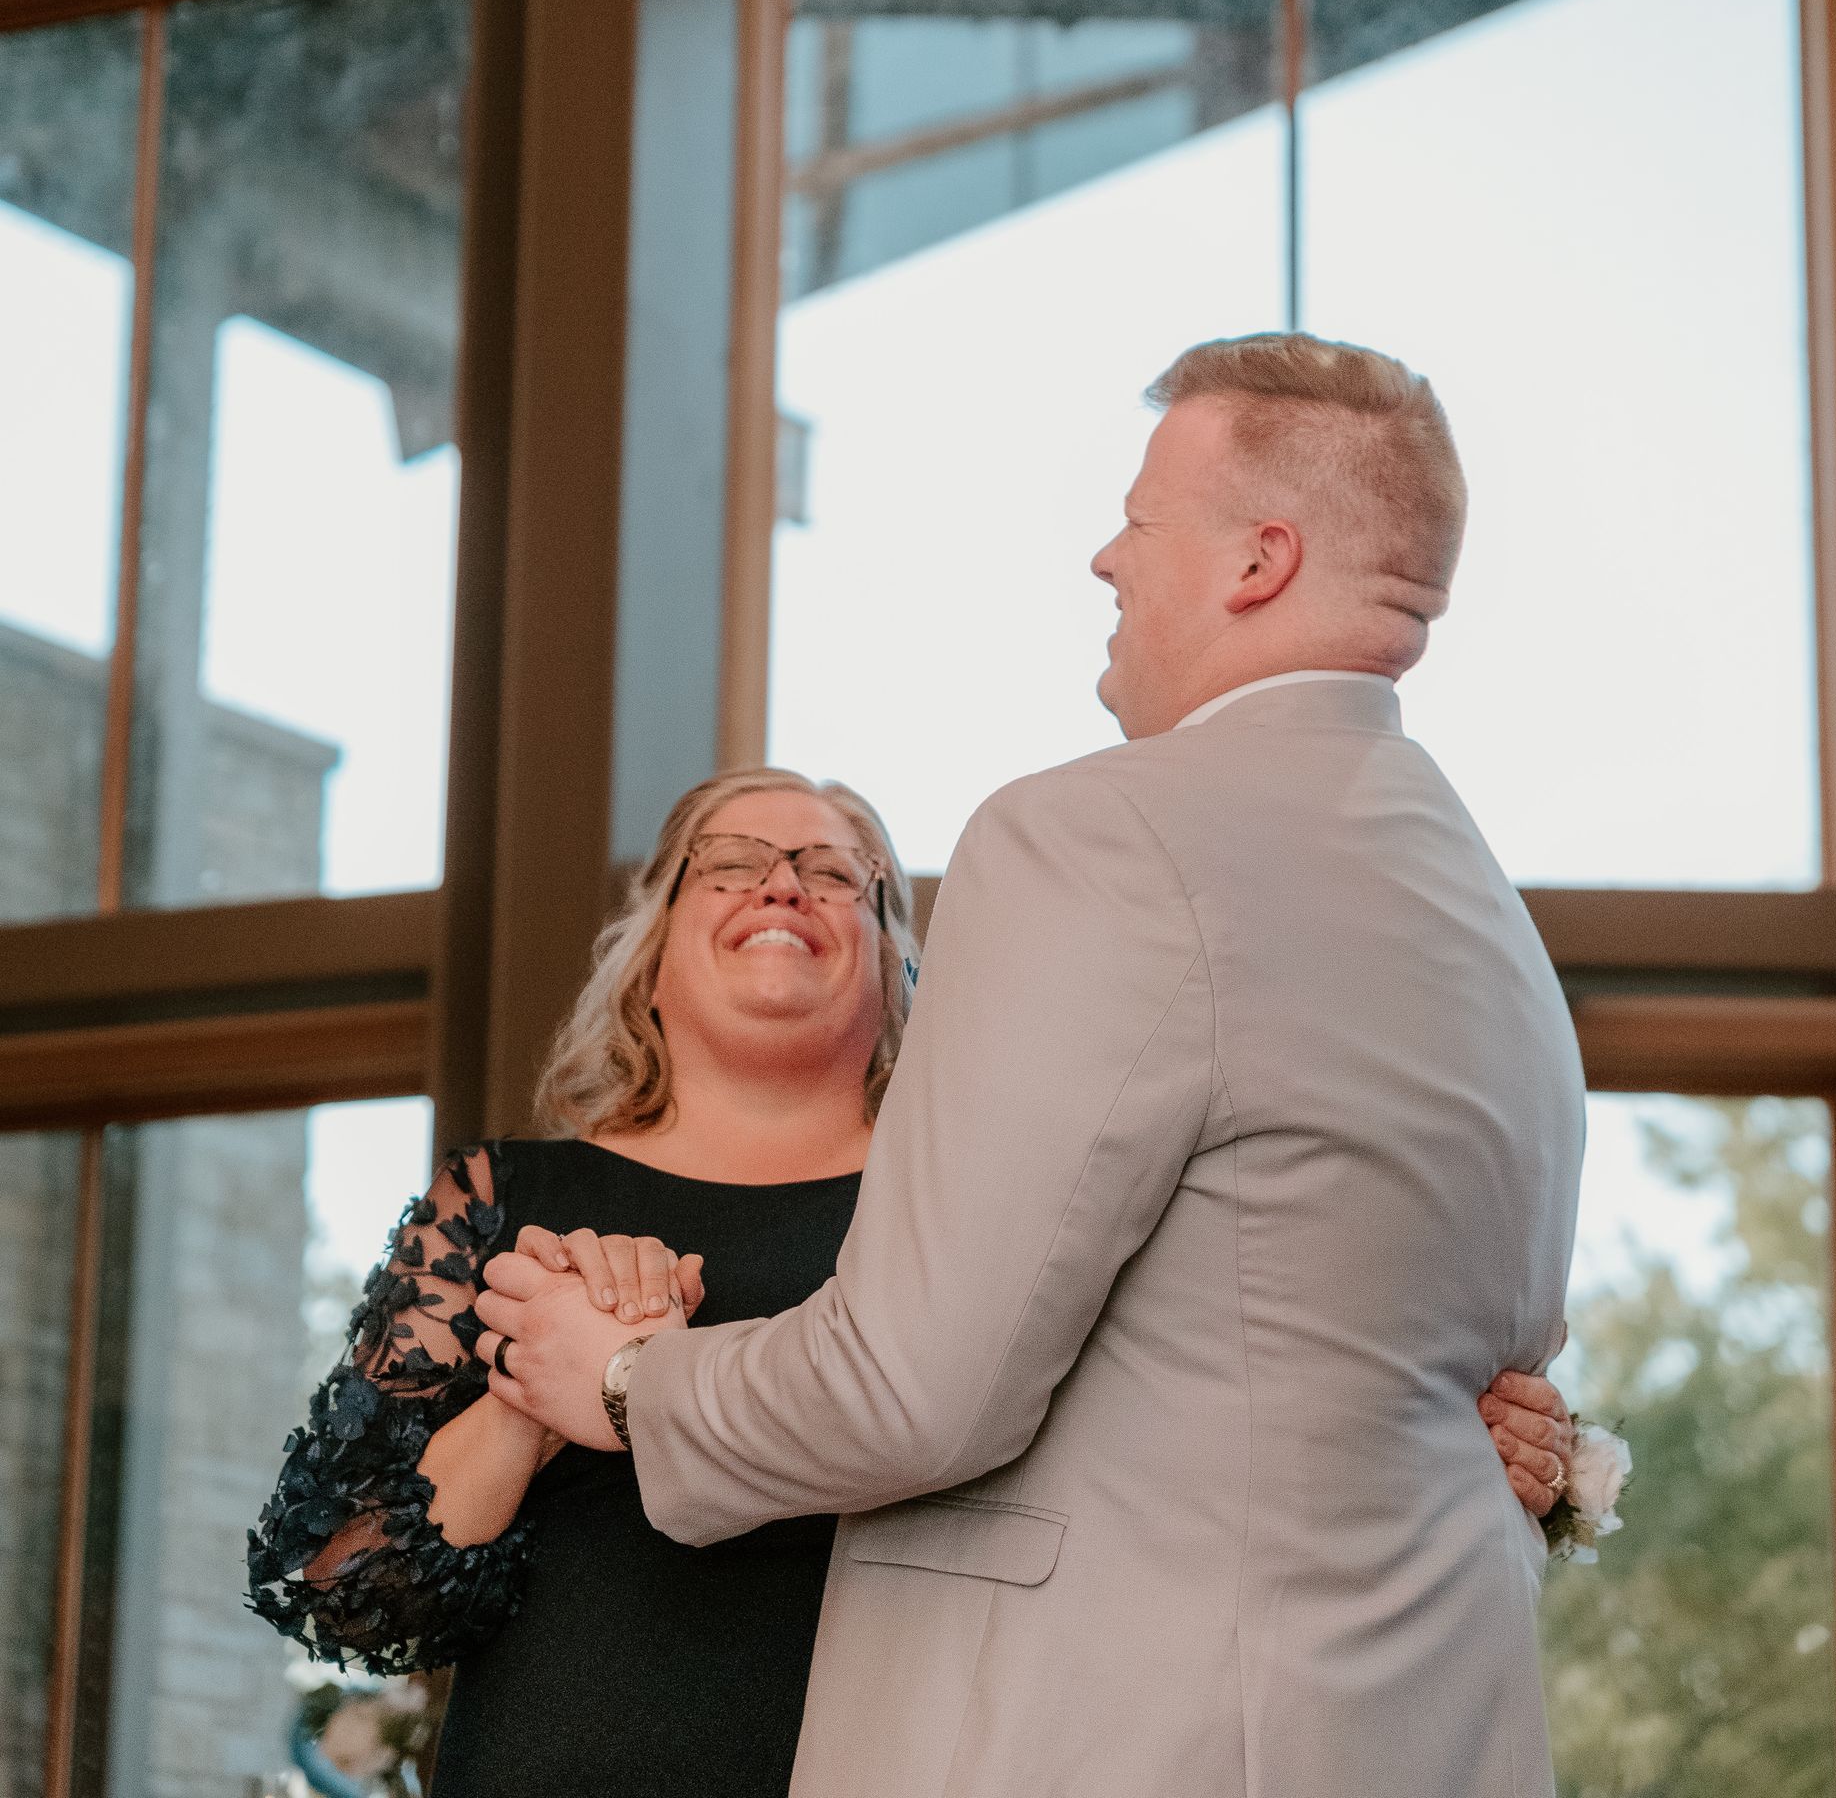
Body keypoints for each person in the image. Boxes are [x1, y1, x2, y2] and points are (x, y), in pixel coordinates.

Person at [476, 332, 1587, 1798]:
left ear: (1259, 562)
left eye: (1140, 519)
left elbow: (916, 1389)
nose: (1106, 560)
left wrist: (617, 1377)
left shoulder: (1100, 835)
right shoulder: (1487, 923)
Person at [250, 764, 1570, 1795]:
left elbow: (1220, 1420)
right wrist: (551, 1386)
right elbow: (342, 1578)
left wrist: (1449, 1450)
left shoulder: (998, 1210)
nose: (786, 886)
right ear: (649, 952)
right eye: (734, 863)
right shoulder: (504, 1207)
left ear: (896, 961)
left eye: (839, 873)